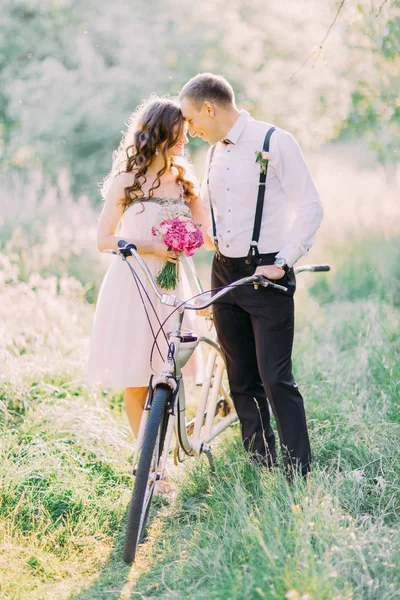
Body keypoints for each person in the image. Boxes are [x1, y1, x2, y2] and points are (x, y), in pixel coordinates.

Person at [179, 73, 324, 477]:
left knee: (275, 377)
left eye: (191, 120)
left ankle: (298, 473)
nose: (190, 131)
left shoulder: (275, 142)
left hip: (268, 274)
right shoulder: (213, 153)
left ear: (209, 108)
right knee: (240, 376)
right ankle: (260, 464)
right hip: (223, 273)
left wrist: (285, 261)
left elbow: (310, 207)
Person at [87, 96, 213, 437]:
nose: (186, 139)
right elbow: (104, 239)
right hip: (134, 284)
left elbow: (207, 235)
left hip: (173, 287)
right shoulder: (126, 181)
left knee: (169, 374)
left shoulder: (186, 181)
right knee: (137, 378)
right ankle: (147, 462)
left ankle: (167, 448)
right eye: (179, 132)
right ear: (159, 134)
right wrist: (152, 246)